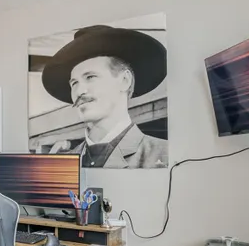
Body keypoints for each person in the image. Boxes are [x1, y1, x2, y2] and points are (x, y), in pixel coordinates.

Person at [41, 24, 168, 169]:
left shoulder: (164, 156)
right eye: (74, 83)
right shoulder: (61, 166)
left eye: (90, 77)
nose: (79, 91)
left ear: (124, 81)